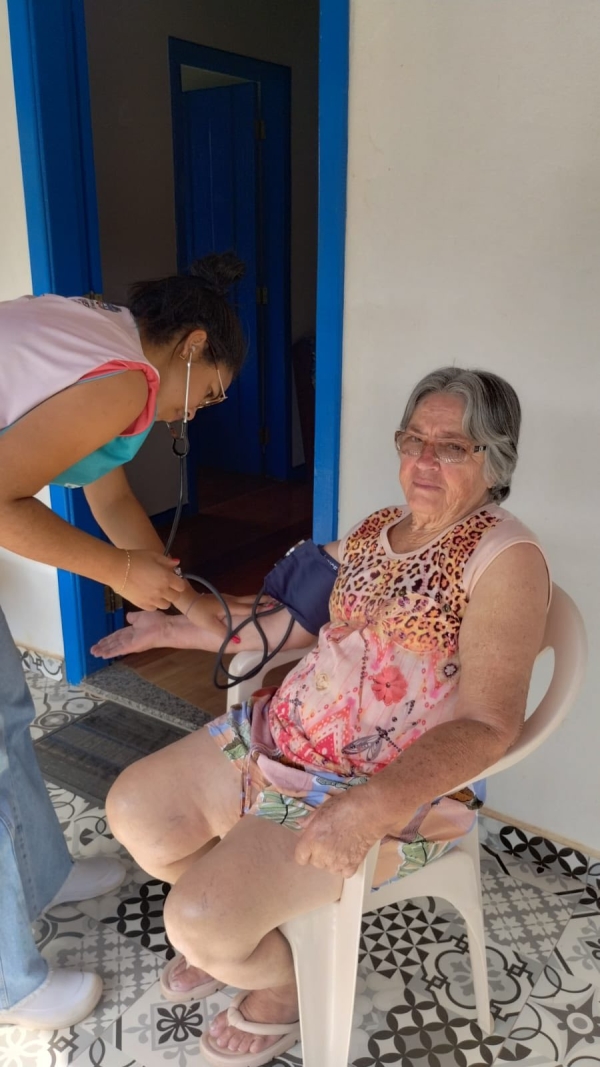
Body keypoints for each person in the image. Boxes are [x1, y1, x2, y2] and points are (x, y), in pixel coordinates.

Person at [93, 367, 550, 1067]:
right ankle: (247, 932)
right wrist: (178, 624)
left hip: (374, 790)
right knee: (135, 810)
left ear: (496, 457)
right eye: (413, 438)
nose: (423, 460)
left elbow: (491, 724)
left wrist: (373, 805)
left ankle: (279, 983)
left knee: (199, 918)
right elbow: (279, 621)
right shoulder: (375, 532)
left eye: (451, 446)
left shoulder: (504, 558)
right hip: (277, 742)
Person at [0, 253, 247, 1029]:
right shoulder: (125, 380)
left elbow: (106, 493)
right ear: (194, 344)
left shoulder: (108, 337)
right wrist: (117, 571)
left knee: (9, 718)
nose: (192, 415)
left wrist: (173, 593)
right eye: (206, 395)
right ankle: (12, 984)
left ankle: (42, 873)